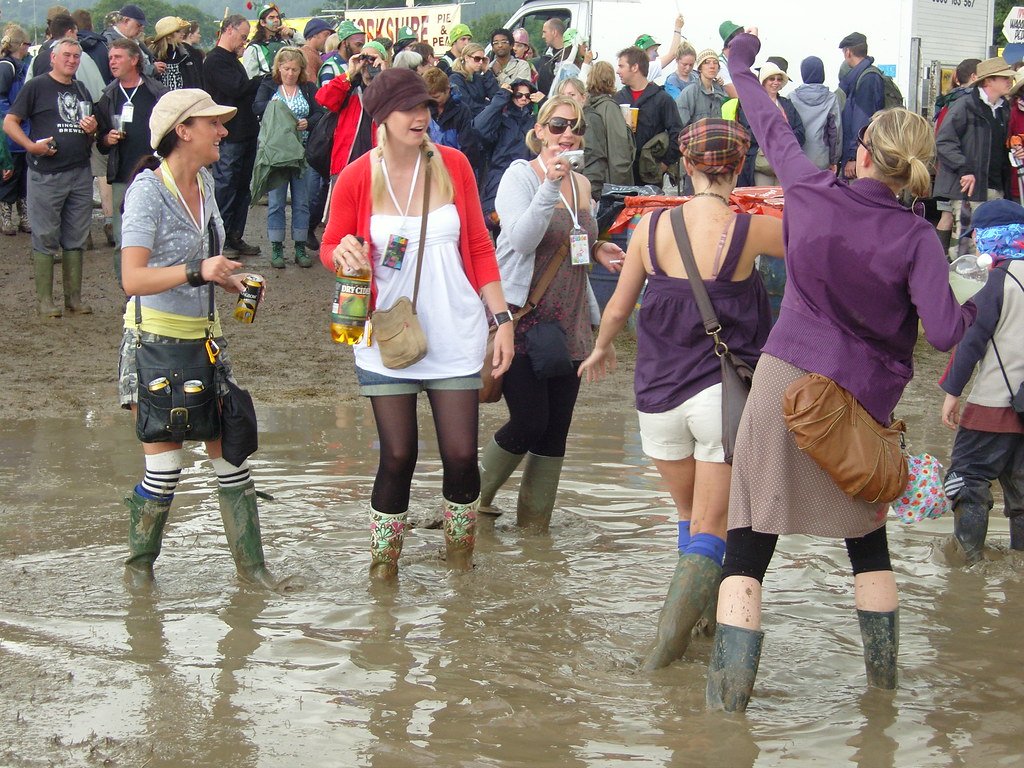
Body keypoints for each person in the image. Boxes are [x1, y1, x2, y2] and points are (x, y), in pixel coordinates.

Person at [706, 31, 977, 713]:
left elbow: (767, 122)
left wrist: (740, 62)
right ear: (913, 170)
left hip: (782, 386)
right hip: (858, 407)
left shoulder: (808, 188)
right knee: (869, 548)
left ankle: (726, 717)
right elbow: (945, 333)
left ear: (861, 151)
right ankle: (880, 705)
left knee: (747, 549)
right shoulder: (918, 237)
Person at [579, 117, 782, 670]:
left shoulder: (649, 230)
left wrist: (600, 350)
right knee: (715, 527)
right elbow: (821, 253)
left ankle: (702, 622)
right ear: (738, 168)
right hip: (721, 397)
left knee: (690, 517)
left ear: (685, 166)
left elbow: (619, 307)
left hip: (658, 399)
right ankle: (664, 649)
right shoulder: (753, 229)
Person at [319, 68, 514, 578]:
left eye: (426, 107)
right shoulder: (359, 175)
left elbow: (477, 244)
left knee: (460, 457)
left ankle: (459, 565)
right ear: (381, 117)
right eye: (409, 108)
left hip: (455, 330)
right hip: (386, 335)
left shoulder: (453, 164)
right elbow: (330, 243)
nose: (421, 116)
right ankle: (384, 570)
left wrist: (503, 318)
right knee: (398, 455)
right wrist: (341, 254)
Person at [118, 88, 284, 591]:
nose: (223, 130)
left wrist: (225, 278)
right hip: (156, 345)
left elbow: (201, 266)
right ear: (183, 131)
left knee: (231, 458)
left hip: (206, 341)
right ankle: (139, 574)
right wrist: (198, 270)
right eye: (213, 122)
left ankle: (254, 574)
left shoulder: (206, 181)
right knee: (165, 470)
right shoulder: (148, 191)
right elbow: (132, 278)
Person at [479, 96, 625, 531]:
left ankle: (534, 528)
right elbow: (521, 241)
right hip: (523, 318)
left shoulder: (582, 185)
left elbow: (576, 242)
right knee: (529, 420)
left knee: (556, 428)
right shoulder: (520, 176)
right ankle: (467, 501)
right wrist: (549, 184)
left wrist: (599, 250)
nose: (567, 134)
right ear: (540, 130)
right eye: (558, 125)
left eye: (575, 127)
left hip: (571, 318)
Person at [939, 200, 1024, 563]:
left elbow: (971, 340)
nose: (975, 245)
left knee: (966, 480)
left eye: (978, 237)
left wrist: (951, 392)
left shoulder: (995, 281)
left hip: (993, 406)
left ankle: (967, 566)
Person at [3, 37, 97, 317]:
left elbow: (89, 131)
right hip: (46, 173)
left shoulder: (81, 89)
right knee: (44, 235)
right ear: (53, 58)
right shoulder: (37, 86)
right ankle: (45, 301)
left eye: (76, 56)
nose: (72, 60)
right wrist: (31, 146)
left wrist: (92, 128)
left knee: (77, 236)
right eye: (66, 55)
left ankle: (74, 299)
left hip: (80, 171)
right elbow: (10, 122)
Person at [254, 47, 325, 269]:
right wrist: (276, 108)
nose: (290, 74)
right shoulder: (269, 86)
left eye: (295, 69)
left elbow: (319, 112)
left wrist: (308, 122)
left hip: (301, 152)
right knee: (276, 202)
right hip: (277, 154)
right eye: (286, 69)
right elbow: (256, 107)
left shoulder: (307, 88)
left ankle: (300, 247)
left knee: (301, 202)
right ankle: (277, 248)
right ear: (279, 68)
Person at [934, 57, 1014, 253]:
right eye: (1003, 77)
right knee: (967, 249)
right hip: (969, 189)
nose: (1009, 81)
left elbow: (1000, 149)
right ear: (988, 81)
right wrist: (965, 169)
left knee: (990, 248)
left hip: (995, 187)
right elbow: (944, 141)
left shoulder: (1003, 109)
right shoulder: (965, 105)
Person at [96, 38, 166, 257]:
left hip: (155, 173)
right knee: (122, 240)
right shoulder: (108, 96)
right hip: (122, 175)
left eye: (118, 57)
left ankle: (150, 288)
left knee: (157, 237)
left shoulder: (157, 92)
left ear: (134, 59)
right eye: (110, 58)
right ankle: (129, 289)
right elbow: (101, 142)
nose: (112, 62)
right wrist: (108, 139)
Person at [203, 15, 263, 256]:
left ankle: (235, 235)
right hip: (230, 134)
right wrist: (261, 80)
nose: (244, 42)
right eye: (242, 36)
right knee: (227, 185)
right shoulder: (215, 60)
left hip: (245, 131)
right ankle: (222, 238)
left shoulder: (230, 60)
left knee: (242, 187)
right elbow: (236, 88)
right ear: (228, 30)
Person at [315, 40, 387, 180]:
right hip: (345, 166)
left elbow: (395, 107)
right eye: (364, 57)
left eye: (373, 59)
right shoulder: (349, 87)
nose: (368, 63)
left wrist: (384, 76)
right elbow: (323, 99)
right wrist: (349, 73)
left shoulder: (388, 86)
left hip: (377, 167)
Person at [474, 78, 538, 229]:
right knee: (499, 230)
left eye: (527, 96)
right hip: (499, 182)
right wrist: (501, 96)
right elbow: (478, 128)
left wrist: (544, 102)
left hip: (528, 183)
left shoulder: (535, 122)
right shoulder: (501, 120)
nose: (523, 98)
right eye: (518, 95)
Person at [614, 46, 682, 185]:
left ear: (634, 67)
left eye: (621, 66)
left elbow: (677, 133)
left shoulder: (662, 99)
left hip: (650, 175)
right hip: (623, 175)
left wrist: (665, 164)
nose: (618, 71)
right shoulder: (617, 98)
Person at [934, 58, 980, 255]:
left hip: (945, 169)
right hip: (957, 172)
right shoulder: (966, 101)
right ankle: (948, 260)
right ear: (974, 76)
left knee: (947, 215)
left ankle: (936, 256)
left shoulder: (948, 99)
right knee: (958, 220)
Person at [736, 62, 805, 187]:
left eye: (779, 79)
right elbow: (748, 133)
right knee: (762, 198)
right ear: (763, 81)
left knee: (782, 201)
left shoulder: (787, 104)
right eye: (771, 79)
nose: (776, 82)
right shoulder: (750, 104)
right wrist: (782, 135)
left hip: (785, 163)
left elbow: (800, 132)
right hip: (761, 164)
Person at [582, 60, 634, 201]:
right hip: (610, 185)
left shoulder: (587, 107)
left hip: (595, 178)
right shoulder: (609, 108)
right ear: (610, 80)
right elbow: (619, 152)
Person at [838, 32, 885, 180]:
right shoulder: (863, 76)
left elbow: (862, 121)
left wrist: (853, 157)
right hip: (861, 153)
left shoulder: (867, 79)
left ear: (848, 52)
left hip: (861, 156)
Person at [0, 24, 31, 235]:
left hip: (22, 130)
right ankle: (6, 217)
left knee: (23, 177)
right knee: (9, 174)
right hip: (11, 131)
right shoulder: (7, 67)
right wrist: (12, 118)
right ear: (21, 45)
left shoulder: (18, 65)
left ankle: (23, 216)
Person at [789, 55, 842, 172]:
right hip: (822, 157)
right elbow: (835, 132)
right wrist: (834, 160)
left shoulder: (791, 97)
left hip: (796, 157)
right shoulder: (831, 98)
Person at [423, 66, 477, 162]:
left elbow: (467, 147)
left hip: (455, 163)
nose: (432, 101)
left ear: (447, 90)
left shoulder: (462, 111)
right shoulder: (424, 109)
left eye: (436, 97)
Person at [102, 5, 160, 78]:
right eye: (138, 25)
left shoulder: (135, 41)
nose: (141, 29)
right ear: (126, 21)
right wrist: (152, 69)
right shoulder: (109, 41)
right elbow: (121, 70)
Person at [676, 48, 728, 128]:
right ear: (700, 68)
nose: (712, 66)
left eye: (715, 63)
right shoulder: (690, 92)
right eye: (707, 63)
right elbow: (681, 125)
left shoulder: (720, 91)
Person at [632, 14, 686, 84]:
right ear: (644, 52)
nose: (657, 55)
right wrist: (678, 28)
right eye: (655, 51)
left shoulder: (634, 68)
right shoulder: (647, 68)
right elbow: (673, 53)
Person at [151, 17, 201, 91]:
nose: (183, 34)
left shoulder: (185, 56)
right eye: (178, 31)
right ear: (168, 35)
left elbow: (194, 81)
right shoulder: (152, 57)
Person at [243, 3, 291, 79]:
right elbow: (250, 77)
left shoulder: (286, 41)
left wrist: (293, 34)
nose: (276, 20)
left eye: (277, 17)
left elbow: (305, 46)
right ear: (262, 22)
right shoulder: (254, 48)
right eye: (271, 18)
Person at [449, 43, 498, 115]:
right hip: (466, 120)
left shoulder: (478, 78)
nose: (481, 62)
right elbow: (468, 105)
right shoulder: (455, 79)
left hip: (482, 118)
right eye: (477, 59)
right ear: (466, 58)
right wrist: (490, 110)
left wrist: (486, 71)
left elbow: (495, 96)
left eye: (483, 59)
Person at [318, 21, 365, 86]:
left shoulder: (359, 64)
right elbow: (327, 95)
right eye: (358, 45)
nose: (361, 49)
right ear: (344, 43)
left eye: (363, 45)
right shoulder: (330, 67)